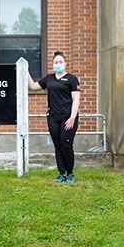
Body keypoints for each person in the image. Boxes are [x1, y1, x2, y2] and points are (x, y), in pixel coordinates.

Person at [28, 51, 80, 183]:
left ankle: (70, 173)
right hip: (53, 118)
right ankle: (61, 173)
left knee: (66, 145)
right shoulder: (48, 79)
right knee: (57, 145)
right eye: (56, 62)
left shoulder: (71, 79)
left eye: (60, 62)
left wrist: (72, 118)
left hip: (68, 117)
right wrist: (26, 71)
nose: (58, 64)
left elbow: (76, 100)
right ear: (52, 64)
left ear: (65, 63)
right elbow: (33, 87)